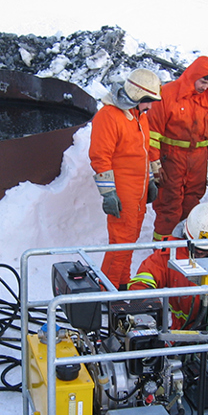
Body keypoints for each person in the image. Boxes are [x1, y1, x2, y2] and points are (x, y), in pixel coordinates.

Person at [90, 68, 162, 289]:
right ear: (136, 94)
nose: (150, 106)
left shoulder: (139, 117)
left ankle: (122, 285)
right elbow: (100, 157)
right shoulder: (108, 116)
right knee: (120, 244)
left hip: (138, 194)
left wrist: (150, 180)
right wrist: (109, 194)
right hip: (123, 194)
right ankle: (107, 291)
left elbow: (143, 153)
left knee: (130, 242)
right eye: (148, 101)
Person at [128, 202, 208, 329]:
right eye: (195, 248)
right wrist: (145, 304)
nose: (199, 252)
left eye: (206, 250)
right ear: (185, 236)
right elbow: (146, 275)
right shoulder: (172, 251)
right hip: (180, 328)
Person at [147, 56, 208, 241]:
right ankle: (163, 250)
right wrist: (155, 165)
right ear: (193, 76)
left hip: (198, 162)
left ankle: (184, 247)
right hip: (171, 160)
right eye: (202, 82)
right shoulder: (167, 95)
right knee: (168, 206)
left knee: (192, 206)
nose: (205, 87)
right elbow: (152, 134)